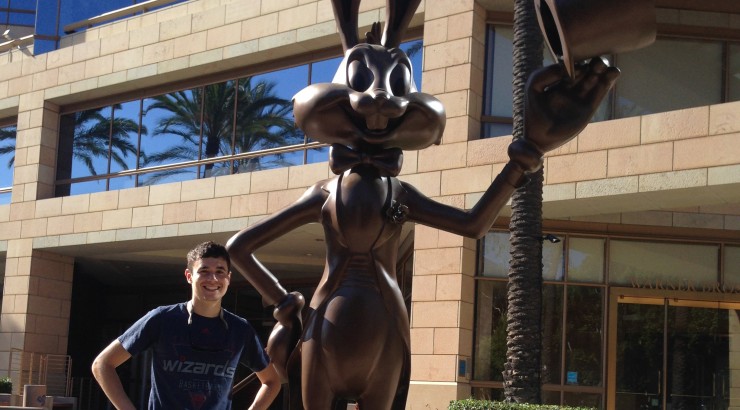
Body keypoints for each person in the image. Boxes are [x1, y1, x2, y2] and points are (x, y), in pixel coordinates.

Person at [92, 241, 280, 410]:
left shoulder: (240, 329)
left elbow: (271, 381)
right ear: (189, 276)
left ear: (228, 278)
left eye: (220, 272)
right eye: (204, 271)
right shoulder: (162, 319)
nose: (213, 279)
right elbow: (103, 364)